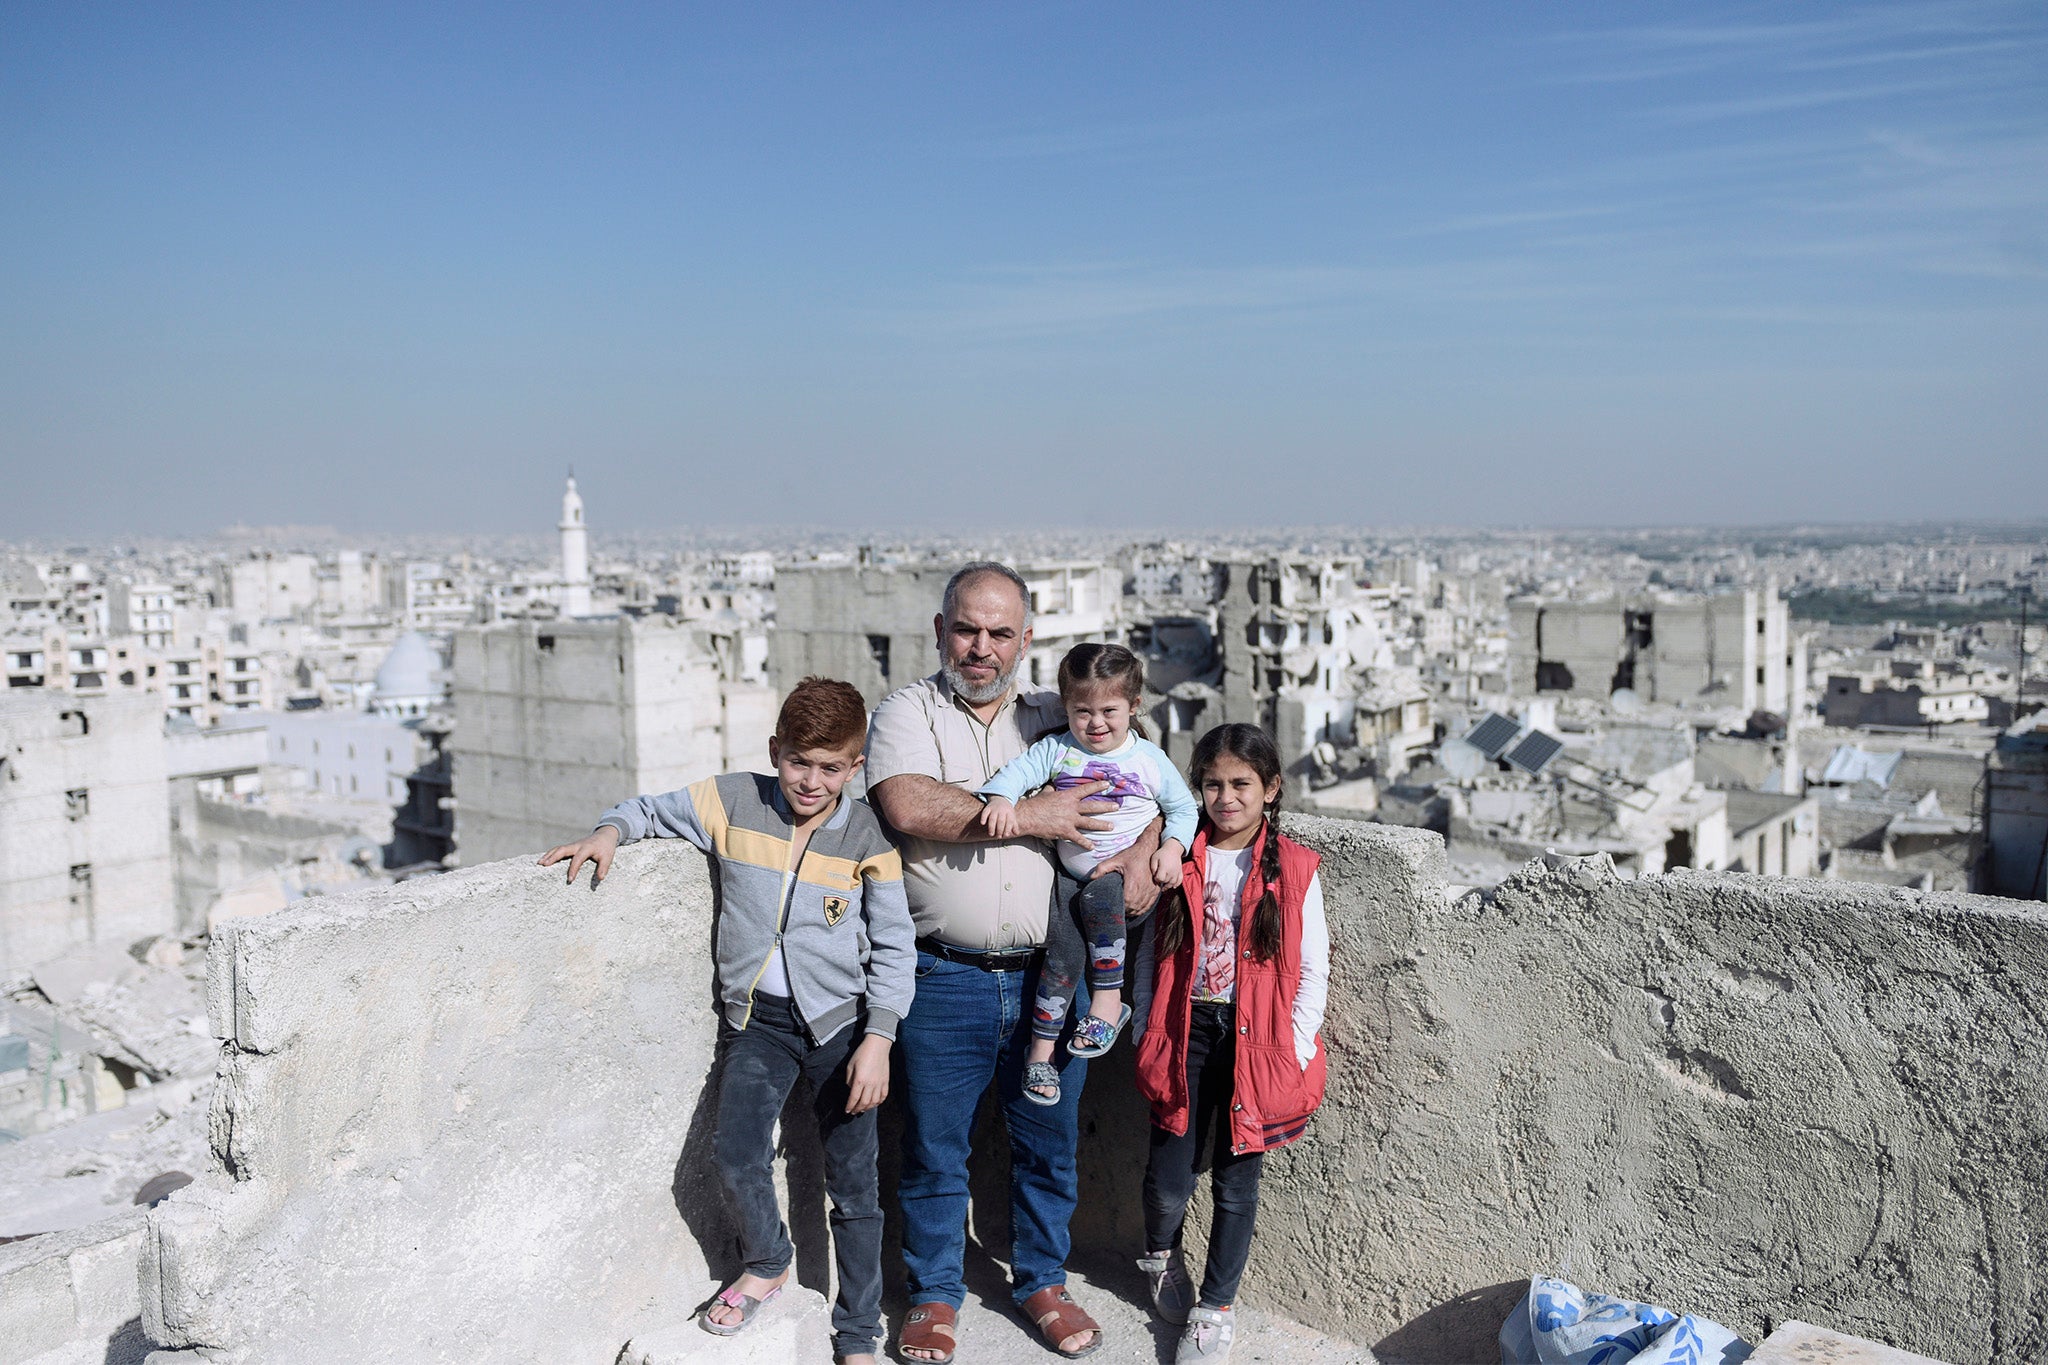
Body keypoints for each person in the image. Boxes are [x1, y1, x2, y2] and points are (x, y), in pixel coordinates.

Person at [538, 677, 913, 1365]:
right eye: (799, 760)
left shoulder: (868, 839)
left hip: (843, 1029)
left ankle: (858, 1333)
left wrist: (880, 1039)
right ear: (776, 750)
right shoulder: (732, 800)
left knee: (855, 1189)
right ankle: (768, 1261)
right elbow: (648, 808)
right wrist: (608, 831)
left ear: (854, 767)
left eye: (830, 766)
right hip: (757, 1022)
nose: (811, 779)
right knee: (735, 1149)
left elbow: (894, 946)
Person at [865, 562, 1163, 1363]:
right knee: (935, 1145)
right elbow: (907, 803)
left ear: (1026, 641)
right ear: (940, 631)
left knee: (1048, 1138)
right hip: (944, 974)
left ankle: (1041, 1279)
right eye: (967, 628)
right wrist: (1033, 813)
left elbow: (1145, 784)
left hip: (1049, 974)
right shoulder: (908, 712)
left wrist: (1143, 854)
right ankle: (933, 1294)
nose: (981, 646)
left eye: (1001, 632)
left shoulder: (1057, 719)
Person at [1130, 723, 1331, 1364]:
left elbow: (1311, 968)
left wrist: (1293, 1052)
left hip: (1257, 1044)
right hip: (1186, 1030)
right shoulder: (1180, 857)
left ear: (1270, 789)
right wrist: (1144, 1031)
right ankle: (1159, 1256)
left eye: (1241, 783)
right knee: (1169, 1174)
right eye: (1212, 784)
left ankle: (1213, 1310)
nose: (1226, 798)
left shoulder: (1294, 868)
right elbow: (1148, 955)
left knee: (1237, 1185)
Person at [977, 642, 1198, 1105]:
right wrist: (1001, 799)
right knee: (1059, 957)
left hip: (1115, 884)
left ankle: (1107, 1002)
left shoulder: (1148, 761)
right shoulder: (1057, 750)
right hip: (1067, 878)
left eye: (1109, 711)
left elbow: (1182, 809)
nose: (1095, 723)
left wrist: (1172, 848)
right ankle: (1040, 1055)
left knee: (1099, 898)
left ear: (1133, 707)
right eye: (1082, 711)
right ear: (1067, 707)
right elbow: (1014, 775)